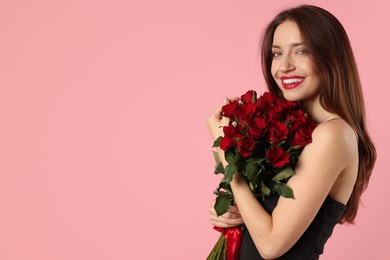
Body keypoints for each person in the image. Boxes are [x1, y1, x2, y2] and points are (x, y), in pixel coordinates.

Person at [207, 5, 376, 260]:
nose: (284, 66)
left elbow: (271, 245)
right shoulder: (292, 129)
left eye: (301, 51)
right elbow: (267, 218)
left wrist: (226, 152)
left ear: (330, 55)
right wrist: (232, 211)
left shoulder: (333, 135)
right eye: (276, 53)